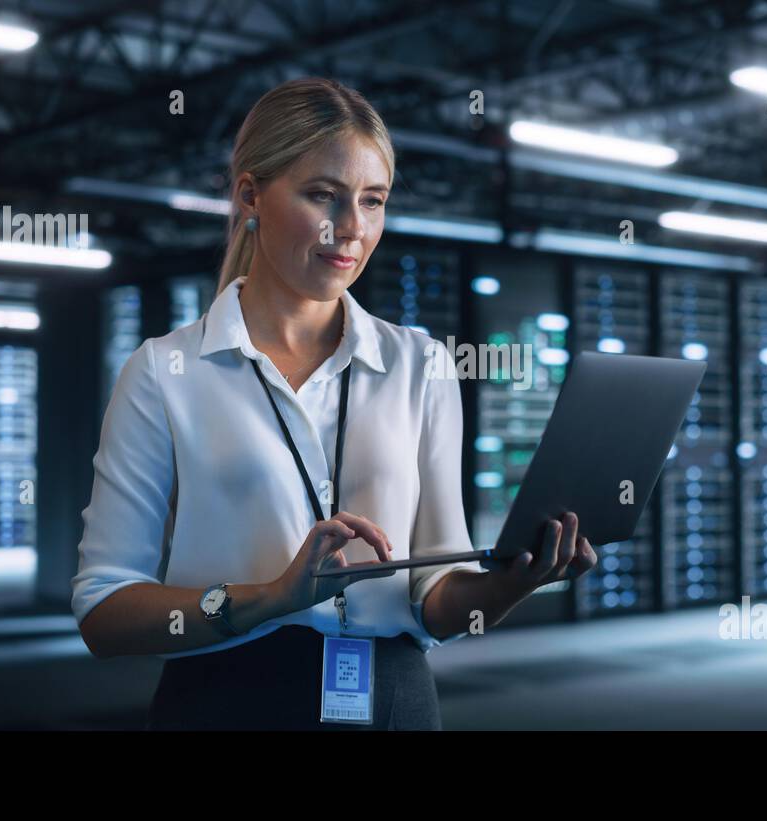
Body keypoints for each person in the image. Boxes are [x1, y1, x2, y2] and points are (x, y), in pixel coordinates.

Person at [70, 77, 597, 730]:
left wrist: (512, 583)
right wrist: (270, 597)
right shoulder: (165, 372)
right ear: (250, 195)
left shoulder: (421, 365)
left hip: (394, 702)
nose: (351, 227)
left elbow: (437, 600)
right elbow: (104, 611)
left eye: (372, 200)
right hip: (225, 703)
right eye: (323, 195)